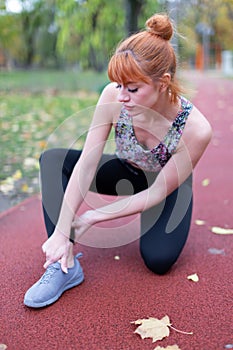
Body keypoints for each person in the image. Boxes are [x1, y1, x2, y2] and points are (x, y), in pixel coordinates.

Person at [24, 13, 212, 308]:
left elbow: (157, 191)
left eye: (132, 88)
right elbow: (88, 162)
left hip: (164, 186)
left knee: (158, 260)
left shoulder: (196, 129)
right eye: (118, 85)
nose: (120, 96)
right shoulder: (113, 96)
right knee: (52, 159)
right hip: (126, 169)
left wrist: (92, 216)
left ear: (163, 83)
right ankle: (62, 261)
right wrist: (64, 231)